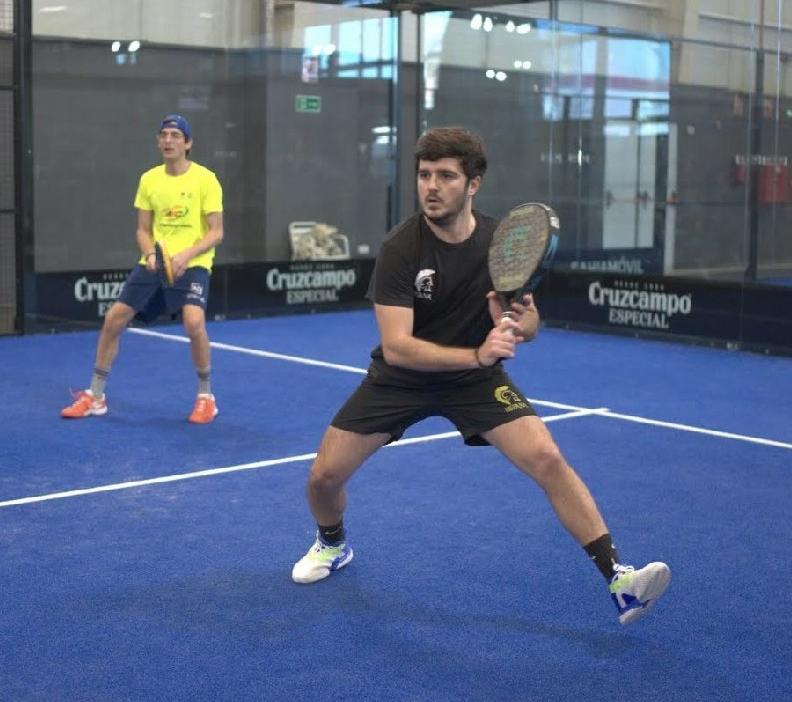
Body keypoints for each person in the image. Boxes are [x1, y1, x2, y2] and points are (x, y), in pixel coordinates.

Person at [291, 126, 670, 625]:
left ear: (473, 184)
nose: (431, 186)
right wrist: (477, 353)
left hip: (474, 381)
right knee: (323, 478)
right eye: (424, 175)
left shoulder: (502, 242)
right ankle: (332, 543)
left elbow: (530, 323)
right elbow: (398, 346)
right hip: (401, 380)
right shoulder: (401, 248)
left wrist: (516, 322)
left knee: (548, 458)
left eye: (446, 176)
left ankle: (621, 581)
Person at [61, 114, 224, 424]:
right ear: (158, 142)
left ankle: (206, 398)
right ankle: (95, 395)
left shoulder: (206, 179)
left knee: (193, 323)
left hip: (193, 263)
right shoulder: (149, 179)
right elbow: (143, 230)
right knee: (113, 319)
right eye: (164, 135)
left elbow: (216, 232)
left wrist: (185, 256)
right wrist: (150, 254)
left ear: (188, 144)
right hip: (154, 263)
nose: (168, 140)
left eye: (176, 135)